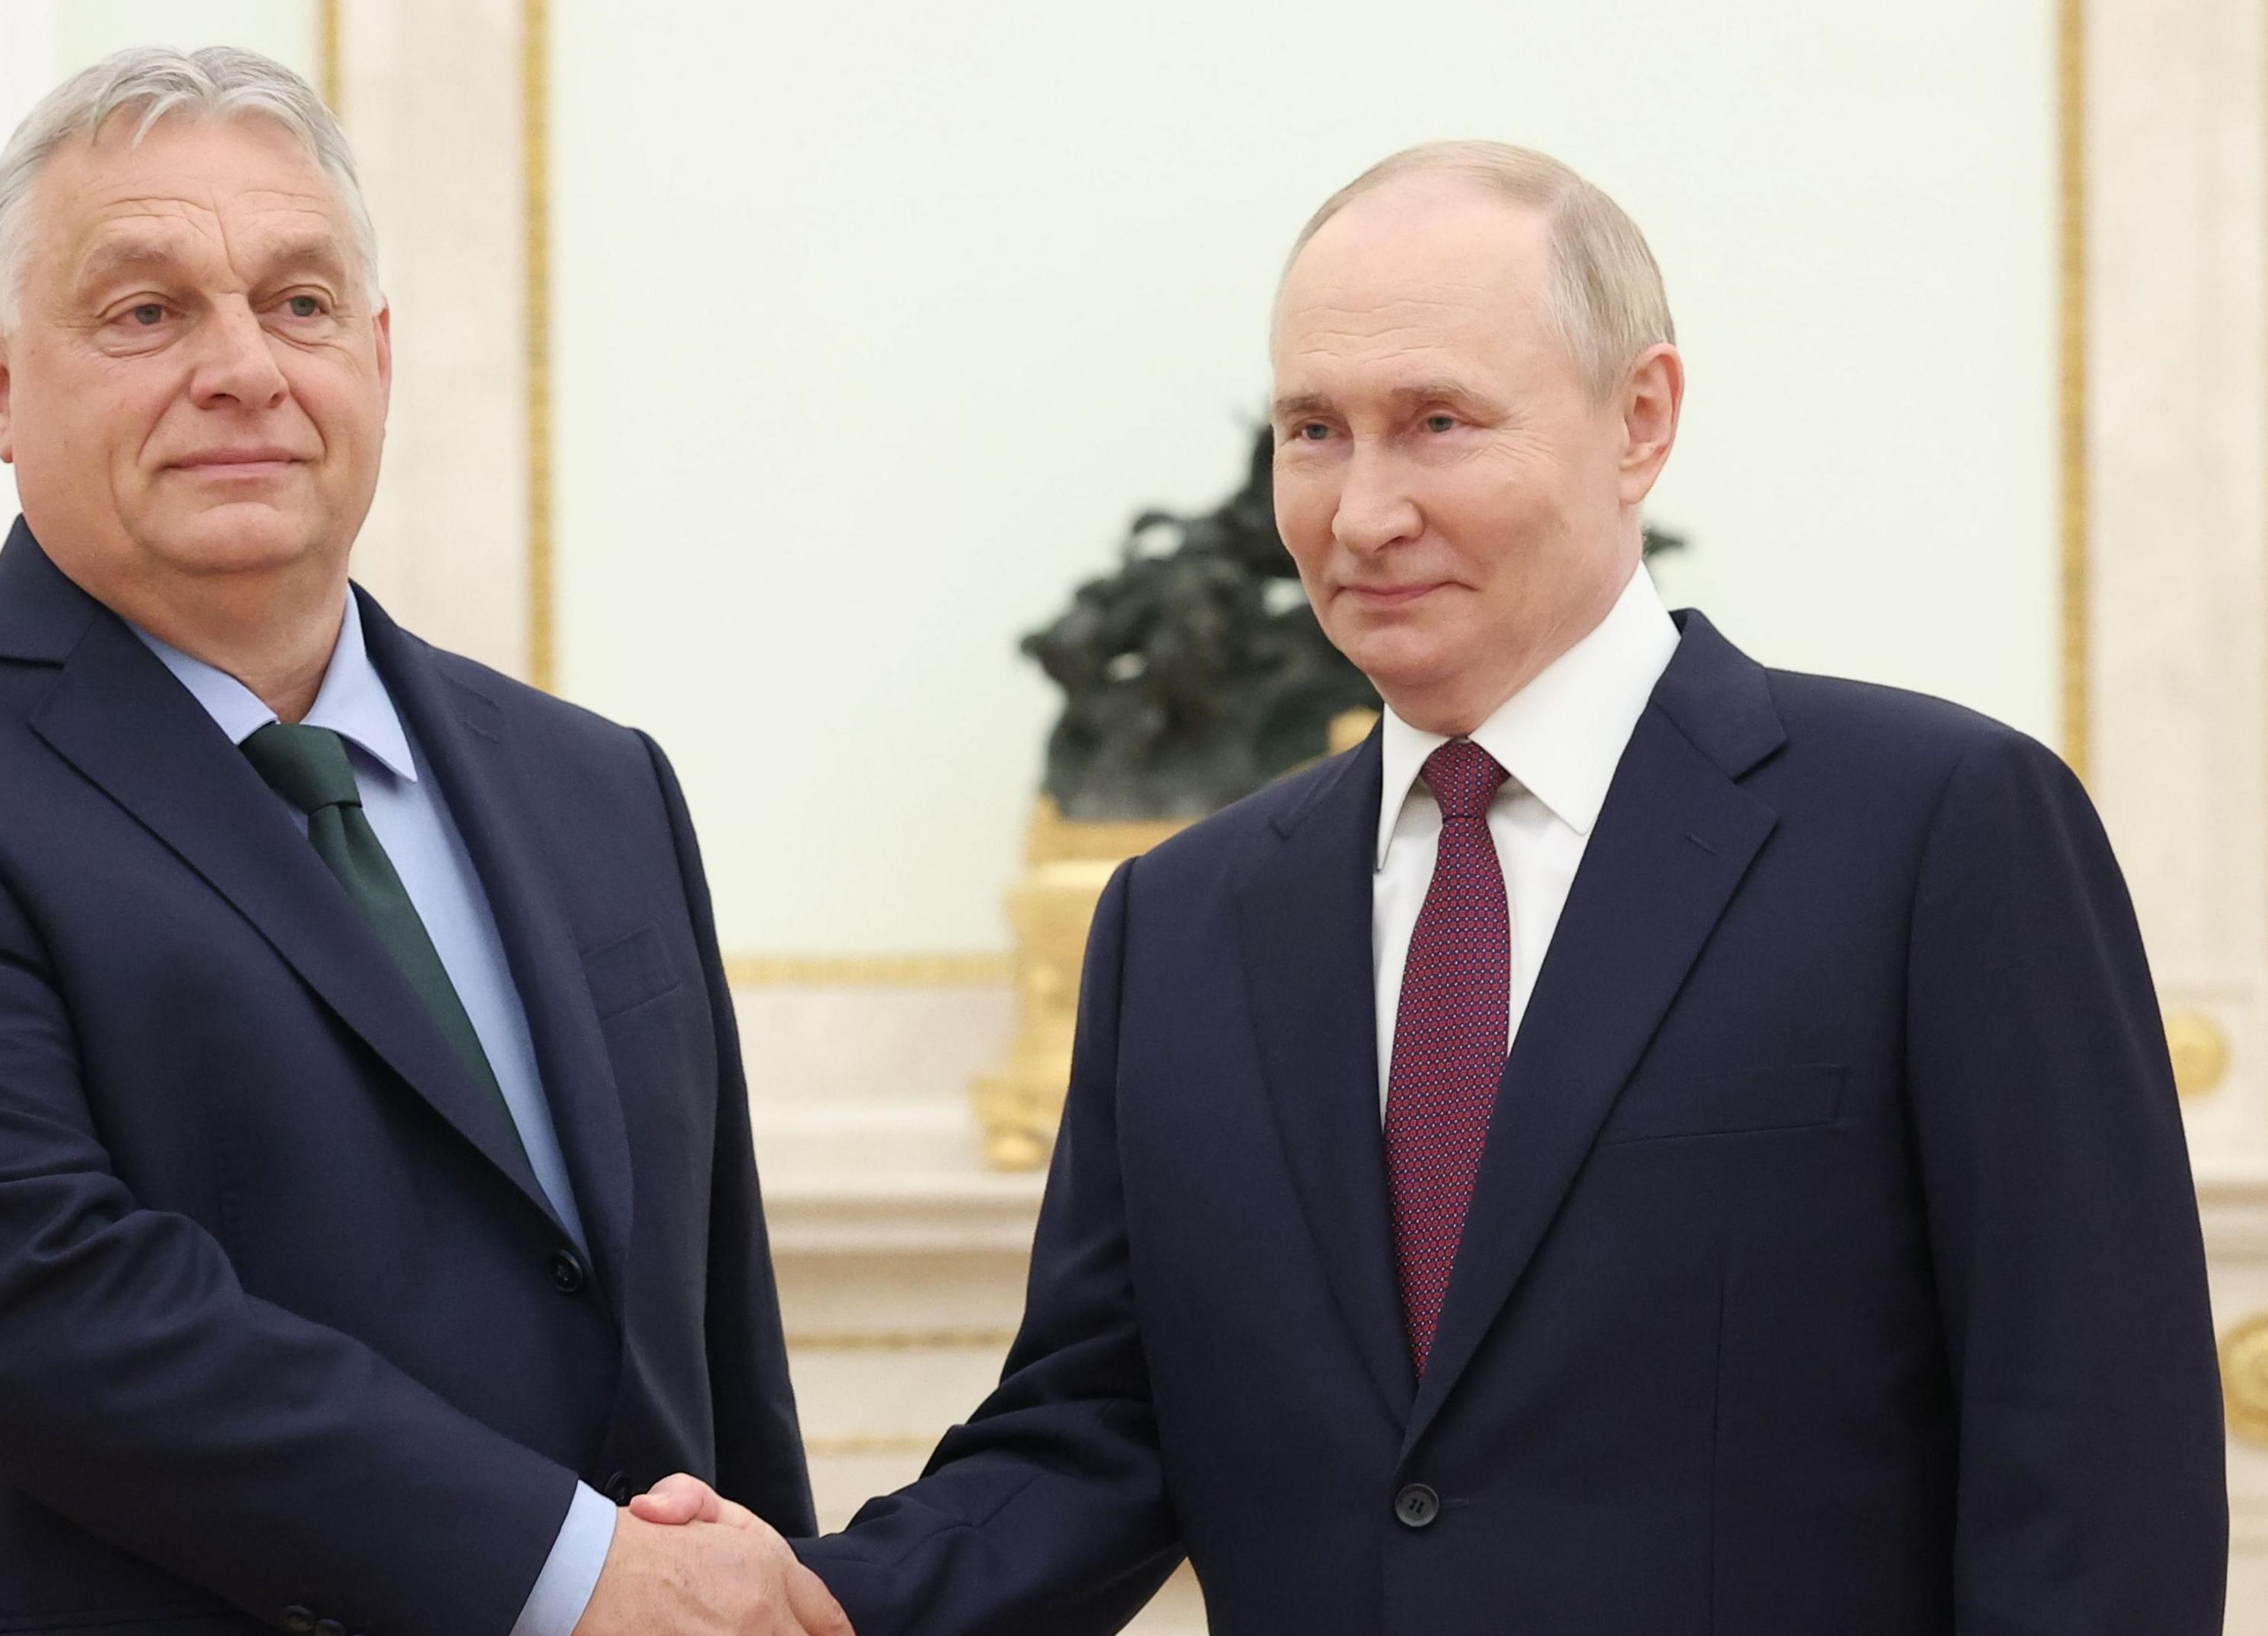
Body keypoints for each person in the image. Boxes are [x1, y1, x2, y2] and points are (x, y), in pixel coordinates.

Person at [635, 141, 2227, 1633]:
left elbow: (2094, 1463)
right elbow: (1101, 1430)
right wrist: (825, 1603)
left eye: (1437, 423)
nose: (1362, 512)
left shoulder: (1940, 831)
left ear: (1641, 420)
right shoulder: (1179, 924)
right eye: (1313, 431)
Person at [0, 46, 846, 1636]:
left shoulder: (599, 786)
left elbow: (709, 1339)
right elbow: (66, 1324)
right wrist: (581, 1581)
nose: (242, 367)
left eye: (298, 304)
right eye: (146, 312)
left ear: (374, 356)